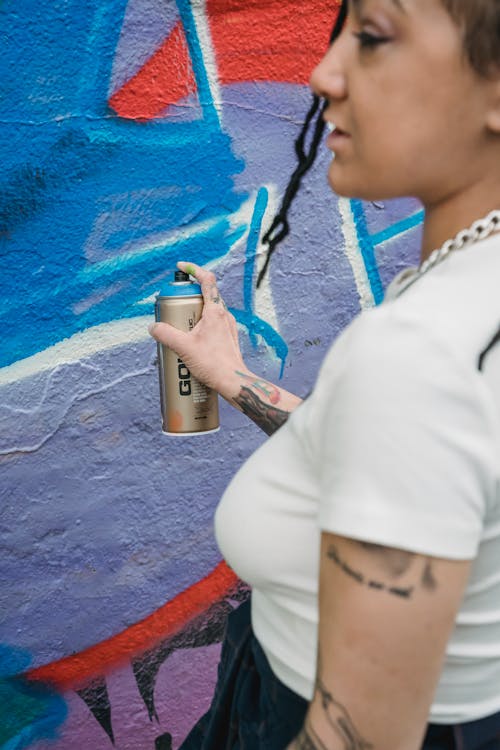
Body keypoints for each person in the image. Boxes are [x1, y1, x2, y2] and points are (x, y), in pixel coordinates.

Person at [148, 0, 500, 747]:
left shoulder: (417, 351)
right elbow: (413, 459)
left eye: (371, 38)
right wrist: (234, 376)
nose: (322, 73)